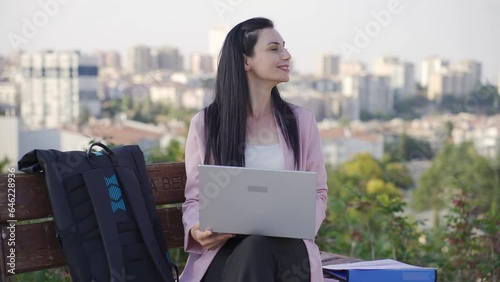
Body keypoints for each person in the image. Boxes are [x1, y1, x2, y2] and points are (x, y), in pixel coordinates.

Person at [181, 17, 328, 282]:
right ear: (245, 61)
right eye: (274, 49)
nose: (287, 55)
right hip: (225, 253)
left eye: (284, 47)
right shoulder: (206, 124)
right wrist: (196, 230)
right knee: (253, 249)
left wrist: (303, 224)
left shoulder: (301, 123)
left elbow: (318, 192)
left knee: (259, 246)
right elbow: (194, 198)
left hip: (288, 252)